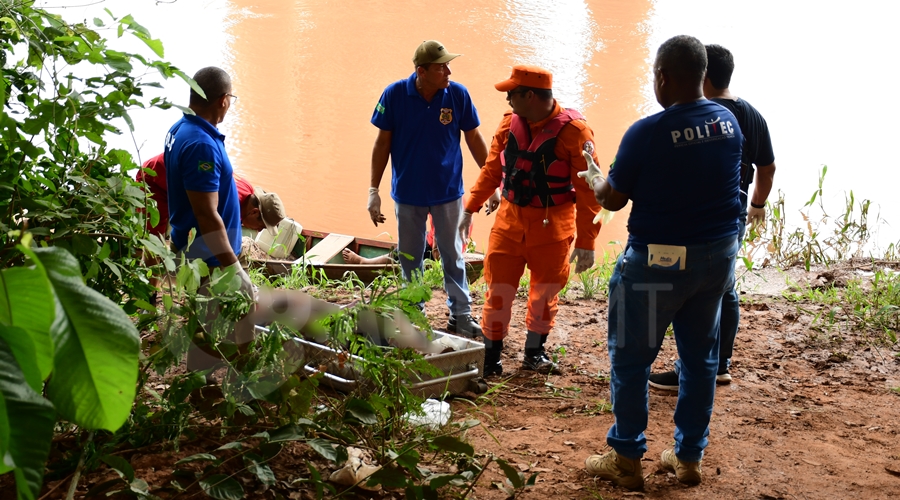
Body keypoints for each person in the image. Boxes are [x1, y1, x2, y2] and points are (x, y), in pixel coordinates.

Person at [581, 35, 742, 490]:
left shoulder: (647, 132)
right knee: (700, 360)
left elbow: (613, 197)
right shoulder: (727, 121)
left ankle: (627, 457)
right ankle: (688, 457)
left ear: (663, 77)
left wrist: (596, 177)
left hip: (658, 266)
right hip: (716, 261)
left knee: (631, 360)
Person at [458, 65, 603, 376]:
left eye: (512, 93)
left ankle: (533, 354)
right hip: (509, 224)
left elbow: (590, 191)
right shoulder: (510, 123)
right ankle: (490, 359)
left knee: (544, 294)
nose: (508, 99)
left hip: (553, 228)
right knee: (497, 292)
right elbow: (491, 170)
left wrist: (588, 242)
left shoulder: (576, 133)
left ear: (531, 96)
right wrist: (469, 207)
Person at [649, 43, 776, 391]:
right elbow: (767, 168)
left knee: (687, 291)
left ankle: (689, 369)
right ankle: (720, 363)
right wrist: (758, 206)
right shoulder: (750, 114)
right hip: (731, 215)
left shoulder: (692, 114)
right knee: (725, 286)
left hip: (692, 220)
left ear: (700, 74)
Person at [367, 40, 494, 338]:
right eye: (441, 67)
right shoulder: (395, 94)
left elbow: (474, 139)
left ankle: (460, 315)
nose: (448, 70)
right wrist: (373, 189)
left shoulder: (457, 94)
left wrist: (492, 182)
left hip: (448, 193)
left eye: (448, 65)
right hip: (408, 194)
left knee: (453, 254)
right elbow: (381, 144)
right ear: (422, 71)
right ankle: (415, 313)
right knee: (411, 257)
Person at [137, 153, 286, 237]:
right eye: (262, 226)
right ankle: (148, 289)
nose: (259, 230)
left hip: (181, 174)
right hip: (155, 177)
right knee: (152, 240)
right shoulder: (225, 202)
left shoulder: (247, 189)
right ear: (254, 212)